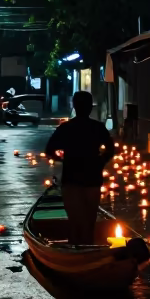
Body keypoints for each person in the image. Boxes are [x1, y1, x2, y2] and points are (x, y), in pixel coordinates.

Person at [45, 90, 115, 245]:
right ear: (90, 107)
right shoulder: (97, 127)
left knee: (75, 219)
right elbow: (110, 149)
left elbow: (49, 149)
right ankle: (88, 247)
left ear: (74, 106)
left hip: (72, 178)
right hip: (92, 177)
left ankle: (75, 247)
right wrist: (100, 162)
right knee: (89, 219)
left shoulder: (66, 128)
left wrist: (62, 160)